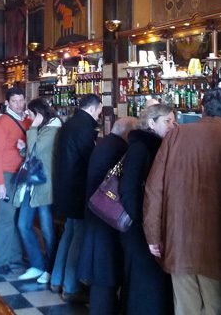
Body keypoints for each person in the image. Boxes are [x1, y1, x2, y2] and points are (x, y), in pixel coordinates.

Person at [143, 88, 221, 315]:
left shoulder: (176, 135)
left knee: (185, 309)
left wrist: (153, 234)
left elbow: (154, 189)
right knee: (215, 309)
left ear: (202, 109)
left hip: (179, 239)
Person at [120, 103, 175, 315]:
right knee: (143, 282)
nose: (172, 125)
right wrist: (142, 221)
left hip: (147, 225)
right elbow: (129, 189)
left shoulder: (154, 146)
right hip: (139, 228)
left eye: (173, 120)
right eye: (166, 121)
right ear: (151, 123)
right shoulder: (141, 148)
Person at [79, 117, 137, 315]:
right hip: (105, 220)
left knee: (101, 274)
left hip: (96, 215)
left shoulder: (106, 143)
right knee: (105, 274)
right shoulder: (119, 149)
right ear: (127, 133)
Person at [52, 93, 102, 302]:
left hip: (65, 187)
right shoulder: (85, 127)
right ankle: (71, 287)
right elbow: (90, 158)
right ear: (93, 108)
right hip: (78, 188)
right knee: (78, 236)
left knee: (69, 233)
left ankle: (56, 279)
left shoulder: (70, 124)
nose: (100, 113)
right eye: (99, 110)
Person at [14, 98, 62, 283]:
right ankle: (37, 264)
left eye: (31, 114)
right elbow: (32, 153)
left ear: (39, 114)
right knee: (23, 224)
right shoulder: (44, 128)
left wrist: (32, 128)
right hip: (31, 184)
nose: (28, 117)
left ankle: (50, 269)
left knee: (48, 230)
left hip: (44, 185)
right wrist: (24, 148)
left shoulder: (53, 128)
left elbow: (35, 150)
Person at [0, 87, 31, 275]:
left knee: (17, 217)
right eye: (14, 101)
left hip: (23, 174)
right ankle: (1, 260)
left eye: (21, 100)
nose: (19, 104)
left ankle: (15, 256)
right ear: (7, 103)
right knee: (6, 218)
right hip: (7, 174)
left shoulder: (28, 121)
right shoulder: (1, 123)